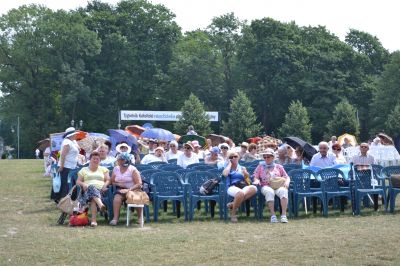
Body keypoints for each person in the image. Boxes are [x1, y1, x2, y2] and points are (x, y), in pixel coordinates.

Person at [253, 148, 290, 223]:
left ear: (273, 157)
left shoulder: (279, 166)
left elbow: (287, 177)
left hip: (278, 186)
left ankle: (283, 215)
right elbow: (255, 176)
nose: (266, 158)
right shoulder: (260, 166)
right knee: (269, 192)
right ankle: (273, 215)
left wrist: (287, 182)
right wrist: (256, 180)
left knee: (283, 191)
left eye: (268, 156)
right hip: (265, 186)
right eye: (264, 157)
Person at [76, 151, 110, 227]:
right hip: (86, 192)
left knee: (93, 198)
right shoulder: (84, 170)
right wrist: (83, 184)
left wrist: (105, 185)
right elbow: (78, 181)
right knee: (91, 187)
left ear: (100, 160)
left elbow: (108, 180)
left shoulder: (104, 169)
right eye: (94, 158)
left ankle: (94, 221)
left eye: (97, 159)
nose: (95, 160)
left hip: (101, 191)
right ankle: (101, 205)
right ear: (90, 159)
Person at [223, 151, 257, 223]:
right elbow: (225, 174)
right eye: (231, 157)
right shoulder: (227, 168)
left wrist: (245, 174)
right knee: (240, 192)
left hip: (242, 186)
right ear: (229, 159)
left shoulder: (242, 168)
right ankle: (233, 214)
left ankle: (232, 204)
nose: (234, 158)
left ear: (238, 157)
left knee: (254, 188)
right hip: (231, 187)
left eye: (235, 156)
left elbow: (247, 179)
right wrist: (229, 164)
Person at [109, 152, 143, 226]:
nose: (119, 161)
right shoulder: (116, 169)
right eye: (119, 159)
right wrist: (118, 184)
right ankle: (115, 219)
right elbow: (112, 181)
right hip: (121, 189)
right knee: (117, 198)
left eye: (122, 160)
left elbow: (139, 183)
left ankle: (140, 218)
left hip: (133, 189)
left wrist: (129, 190)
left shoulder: (133, 169)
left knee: (136, 196)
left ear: (127, 160)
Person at [52, 127, 79, 203]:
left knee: (68, 184)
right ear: (71, 135)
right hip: (66, 166)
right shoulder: (67, 142)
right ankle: (62, 200)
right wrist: (61, 166)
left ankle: (67, 200)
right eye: (74, 134)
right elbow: (63, 155)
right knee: (65, 184)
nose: (76, 135)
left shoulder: (72, 141)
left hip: (71, 166)